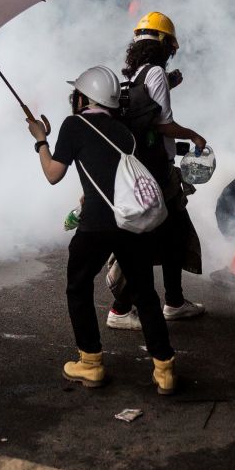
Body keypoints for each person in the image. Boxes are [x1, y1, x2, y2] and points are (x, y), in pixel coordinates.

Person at [26, 66, 177, 394]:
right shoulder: (124, 131)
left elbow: (53, 174)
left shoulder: (73, 124)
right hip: (130, 223)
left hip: (95, 225)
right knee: (145, 293)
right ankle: (164, 369)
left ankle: (91, 363)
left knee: (78, 287)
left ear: (83, 97)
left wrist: (41, 140)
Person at [106, 12, 206, 330]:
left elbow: (146, 113)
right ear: (165, 45)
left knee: (169, 234)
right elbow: (163, 124)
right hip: (157, 172)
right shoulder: (156, 75)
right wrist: (192, 135)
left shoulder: (135, 73)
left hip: (141, 167)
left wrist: (170, 83)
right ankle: (121, 308)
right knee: (148, 238)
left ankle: (174, 301)